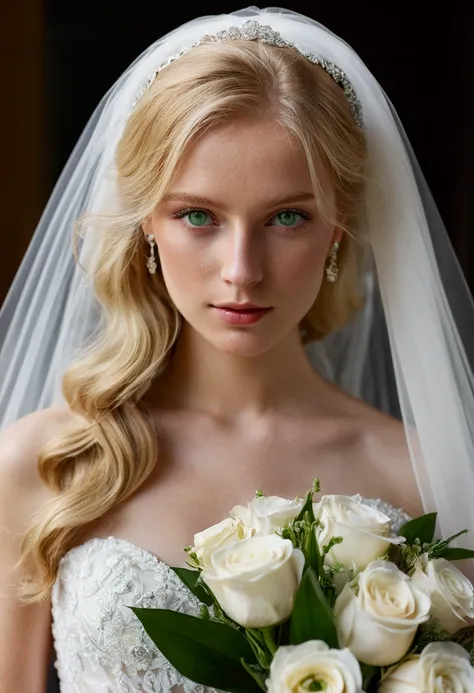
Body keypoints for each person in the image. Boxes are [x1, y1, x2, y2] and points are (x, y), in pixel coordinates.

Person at [1, 6, 473, 692]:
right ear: (147, 229)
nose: (242, 269)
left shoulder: (427, 472)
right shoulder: (44, 466)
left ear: (338, 227)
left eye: (287, 217)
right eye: (199, 215)